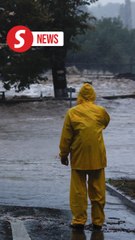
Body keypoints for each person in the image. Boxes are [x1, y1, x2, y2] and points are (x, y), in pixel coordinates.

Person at [59, 83, 110, 231]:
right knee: (98, 191)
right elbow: (105, 123)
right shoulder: (101, 111)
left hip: (79, 157)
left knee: (78, 191)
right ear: (93, 95)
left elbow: (66, 138)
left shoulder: (72, 113)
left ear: (79, 96)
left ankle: (79, 220)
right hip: (97, 157)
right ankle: (98, 221)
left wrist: (63, 154)